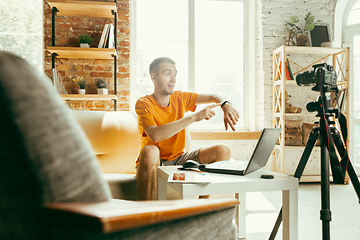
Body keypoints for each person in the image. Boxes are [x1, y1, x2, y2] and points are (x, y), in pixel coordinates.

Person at [135, 57, 240, 200]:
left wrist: (226, 104)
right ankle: (145, 213)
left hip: (179, 159)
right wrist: (194, 117)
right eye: (167, 74)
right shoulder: (143, 103)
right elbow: (155, 135)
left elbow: (214, 96)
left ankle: (200, 208)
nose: (173, 79)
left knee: (223, 150)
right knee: (149, 150)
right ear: (153, 77)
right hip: (154, 161)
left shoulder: (181, 97)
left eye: (175, 74)